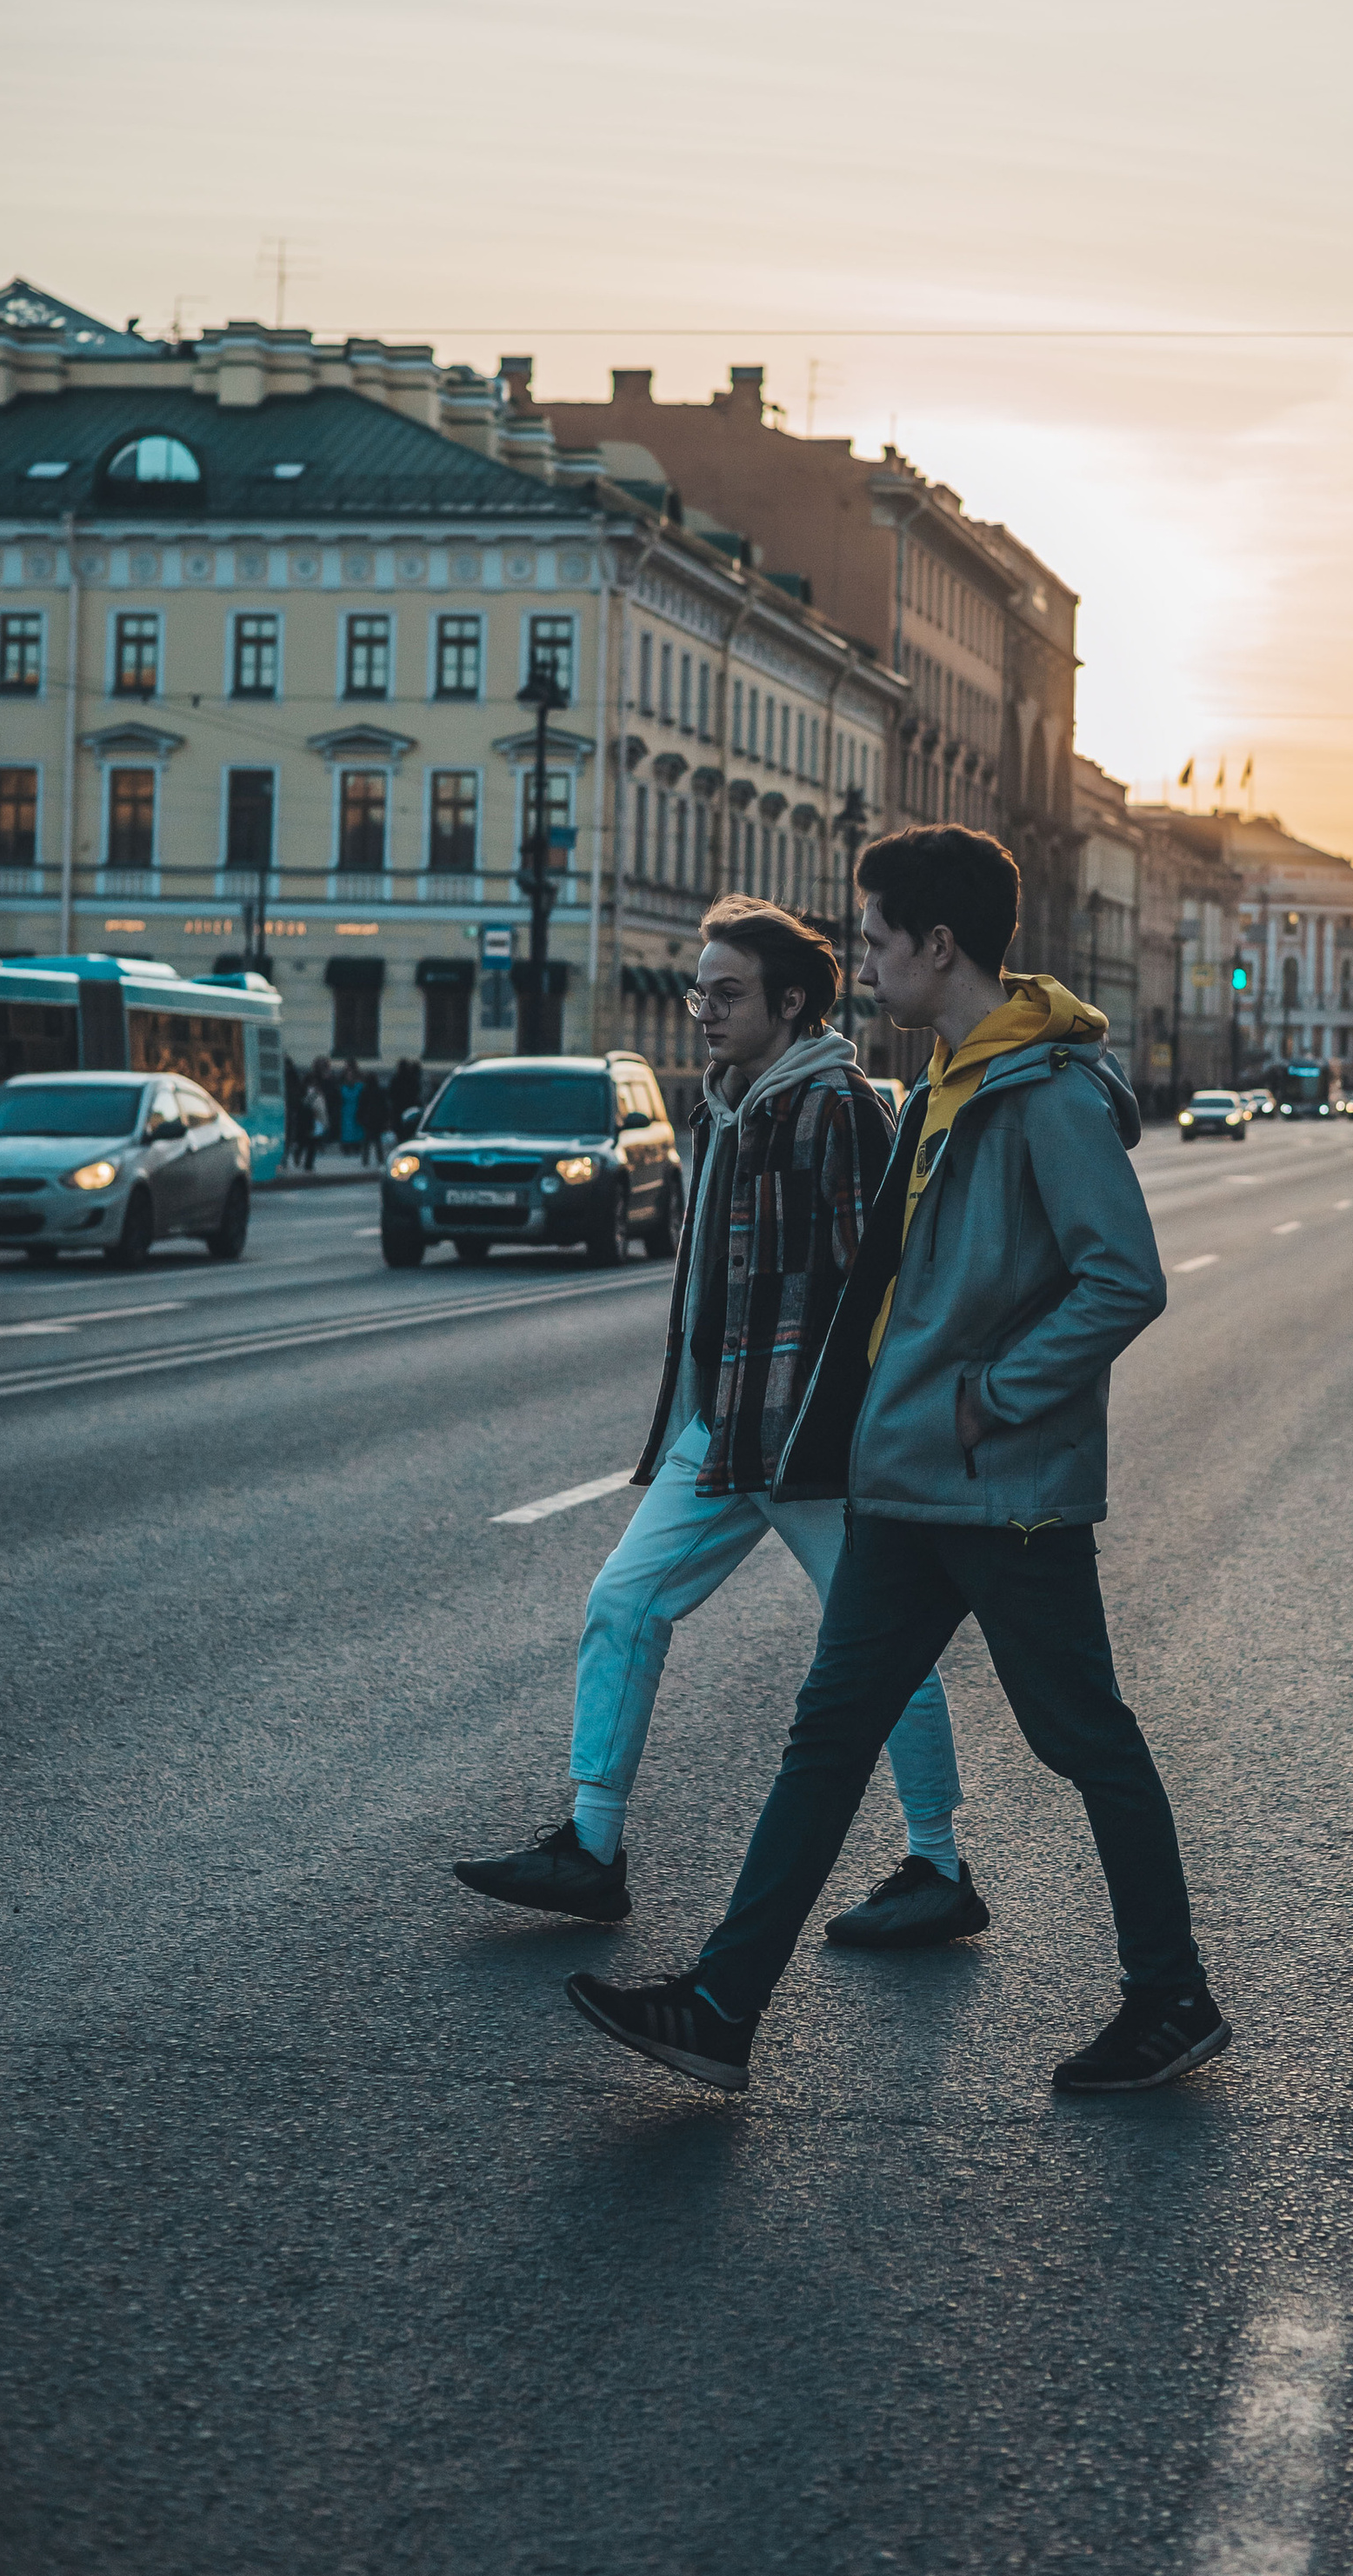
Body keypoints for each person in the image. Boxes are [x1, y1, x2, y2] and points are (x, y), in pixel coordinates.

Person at [564, 822, 1228, 2098]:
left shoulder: (1044, 1092)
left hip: (999, 1490)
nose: (862, 963)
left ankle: (1171, 1996)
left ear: (939, 943)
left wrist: (995, 1399)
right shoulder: (938, 1083)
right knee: (826, 1737)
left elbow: (1120, 1281)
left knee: (1084, 1736)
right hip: (907, 1483)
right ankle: (720, 2005)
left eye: (875, 940)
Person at [454, 895, 978, 1944]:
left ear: (789, 1003)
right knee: (623, 1602)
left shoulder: (836, 1107)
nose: (702, 1009)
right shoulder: (728, 1101)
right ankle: (592, 1849)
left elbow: (894, 1279)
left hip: (815, 1439)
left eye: (725, 992)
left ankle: (938, 1863)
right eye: (699, 989)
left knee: (876, 1650)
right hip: (728, 1425)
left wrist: (877, 1423)